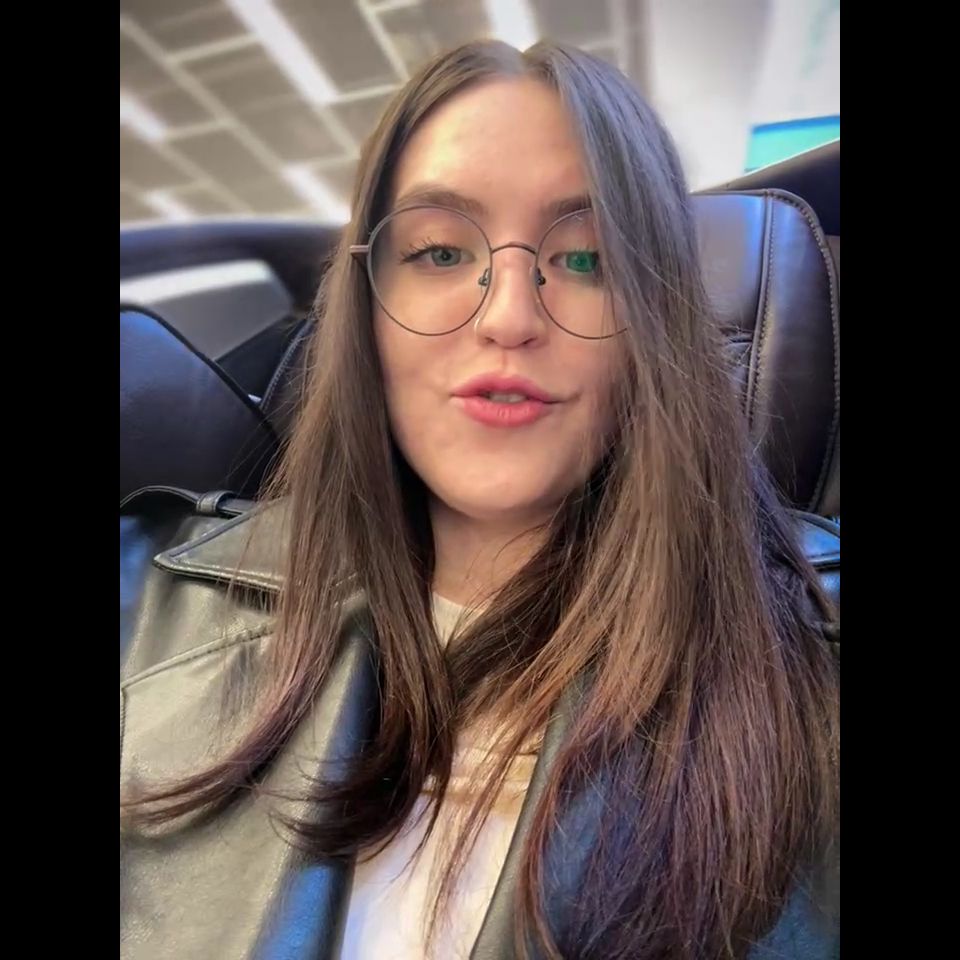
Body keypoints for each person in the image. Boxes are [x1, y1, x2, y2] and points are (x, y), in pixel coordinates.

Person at [120, 39, 839, 960]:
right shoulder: (144, 601)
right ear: (365, 306)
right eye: (439, 251)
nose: (507, 317)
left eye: (587, 261)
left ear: (654, 323)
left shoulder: (815, 674)